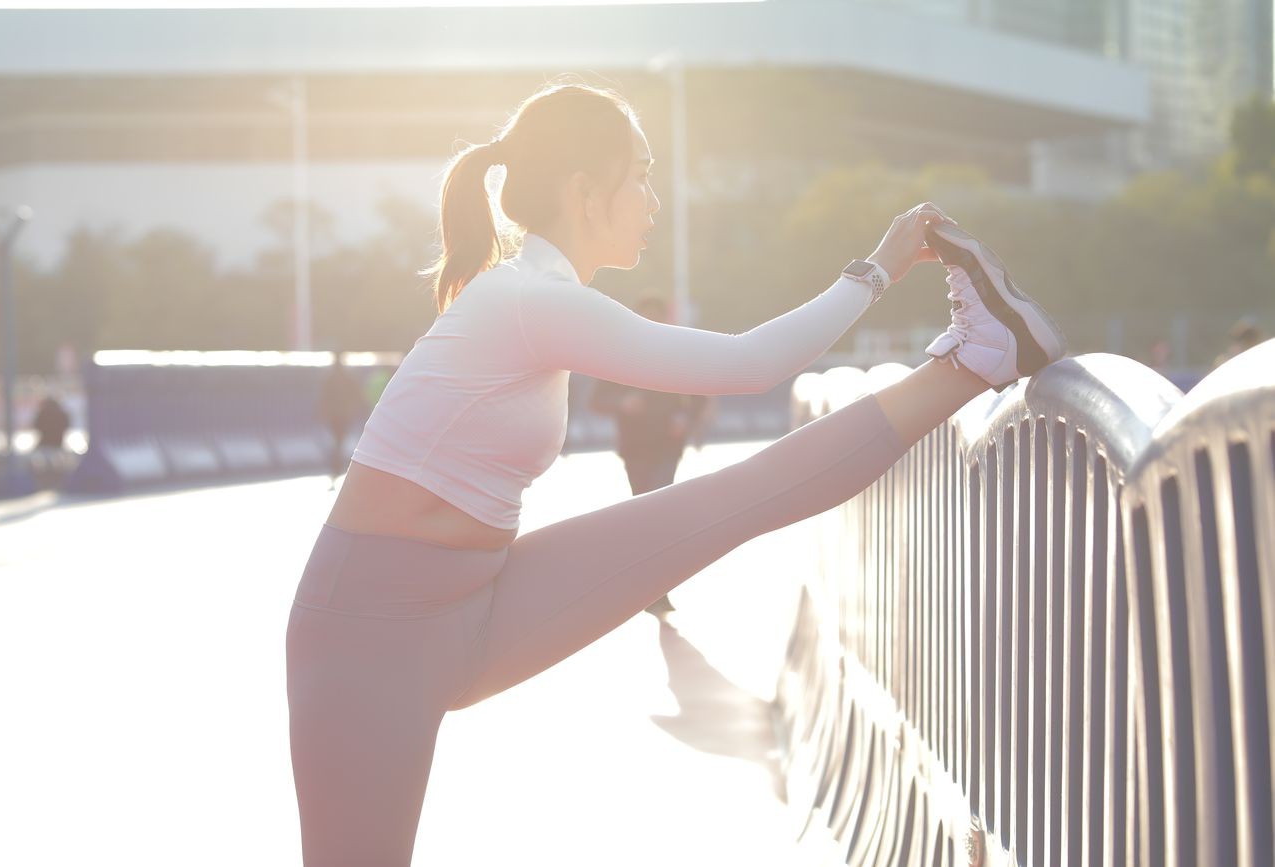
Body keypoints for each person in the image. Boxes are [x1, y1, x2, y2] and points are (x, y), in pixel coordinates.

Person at [285, 81, 1067, 866]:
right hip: (368, 631)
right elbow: (748, 364)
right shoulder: (526, 300)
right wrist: (875, 270)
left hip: (477, 596)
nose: (654, 198)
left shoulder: (546, 298)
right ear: (585, 192)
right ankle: (980, 355)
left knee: (737, 499)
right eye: (643, 173)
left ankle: (976, 361)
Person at [589, 293, 713, 616]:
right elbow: (597, 400)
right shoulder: (618, 356)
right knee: (643, 514)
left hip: (667, 446)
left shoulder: (677, 352)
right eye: (645, 318)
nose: (651, 324)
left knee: (661, 514)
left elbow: (701, 392)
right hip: (636, 448)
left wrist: (686, 418)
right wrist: (622, 403)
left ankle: (658, 590)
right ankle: (647, 588)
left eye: (656, 318)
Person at [315, 351, 367, 489]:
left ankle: (336, 468)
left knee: (337, 442)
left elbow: (323, 396)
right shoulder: (346, 376)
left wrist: (323, 411)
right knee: (340, 442)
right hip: (343, 414)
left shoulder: (330, 376)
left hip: (335, 414)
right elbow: (357, 393)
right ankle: (339, 468)